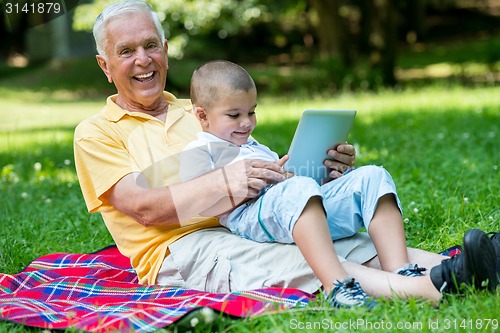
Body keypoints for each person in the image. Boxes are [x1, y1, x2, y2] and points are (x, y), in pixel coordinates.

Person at [73, 0, 498, 310]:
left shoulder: (199, 109)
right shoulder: (94, 134)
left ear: (165, 50)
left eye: (151, 45)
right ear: (104, 65)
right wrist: (226, 183)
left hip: (252, 218)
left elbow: (268, 172)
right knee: (307, 257)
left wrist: (321, 171)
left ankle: (474, 263)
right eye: (126, 52)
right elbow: (143, 208)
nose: (143, 60)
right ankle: (441, 286)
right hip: (184, 246)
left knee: (349, 239)